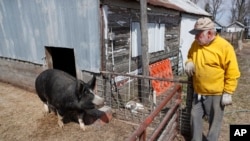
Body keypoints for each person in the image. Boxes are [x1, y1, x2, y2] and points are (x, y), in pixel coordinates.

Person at [185, 17, 240, 141]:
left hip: (216, 94)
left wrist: (228, 92)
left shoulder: (225, 47)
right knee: (195, 117)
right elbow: (190, 55)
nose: (195, 38)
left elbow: (233, 72)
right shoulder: (196, 44)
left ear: (209, 34)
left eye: (197, 35)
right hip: (198, 91)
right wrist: (189, 62)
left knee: (214, 122)